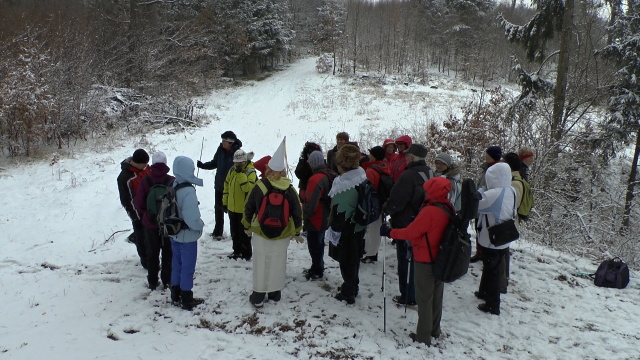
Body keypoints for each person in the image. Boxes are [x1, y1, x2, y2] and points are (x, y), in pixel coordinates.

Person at [380, 177, 452, 346]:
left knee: (424, 299)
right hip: (441, 257)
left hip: (425, 258)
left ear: (433, 191)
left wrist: (391, 233)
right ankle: (434, 330)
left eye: (428, 189)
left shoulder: (430, 211)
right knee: (436, 296)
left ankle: (423, 336)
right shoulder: (448, 207)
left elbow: (411, 233)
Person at [243, 140, 303, 307]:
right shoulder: (289, 189)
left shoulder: (260, 186)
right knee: (278, 261)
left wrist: (247, 226)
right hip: (282, 233)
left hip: (261, 232)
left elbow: (248, 207)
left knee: (261, 262)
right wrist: (297, 231)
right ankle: (275, 293)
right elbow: (297, 212)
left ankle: (258, 295)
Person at [384, 144, 434, 306]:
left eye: (407, 156)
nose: (405, 158)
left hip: (406, 222)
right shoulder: (430, 172)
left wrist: (386, 209)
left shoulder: (408, 176)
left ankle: (407, 294)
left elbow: (396, 200)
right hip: (424, 220)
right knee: (418, 259)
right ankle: (416, 292)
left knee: (405, 259)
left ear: (412, 157)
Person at [325, 144, 368, 304]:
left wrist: (333, 230)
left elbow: (340, 212)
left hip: (348, 228)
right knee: (354, 258)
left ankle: (348, 292)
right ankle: (353, 287)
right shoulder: (361, 175)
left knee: (346, 260)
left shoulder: (344, 184)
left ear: (342, 164)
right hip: (359, 226)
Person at [474, 162, 517, 316]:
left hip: (491, 238)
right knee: (492, 268)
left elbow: (477, 205)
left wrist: (480, 190)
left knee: (492, 271)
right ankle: (483, 292)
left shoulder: (493, 193)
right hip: (504, 236)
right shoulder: (511, 190)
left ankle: (492, 305)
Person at [133, 151, 174, 290]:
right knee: (168, 252)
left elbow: (139, 203)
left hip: (150, 224)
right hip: (167, 224)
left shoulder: (145, 180)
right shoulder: (171, 180)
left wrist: (147, 215)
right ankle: (167, 280)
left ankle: (152, 281)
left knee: (152, 253)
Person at [169, 156, 206, 311]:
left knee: (176, 263)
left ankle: (175, 294)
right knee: (187, 267)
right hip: (187, 235)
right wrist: (200, 226)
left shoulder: (173, 184)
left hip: (174, 232)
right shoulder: (188, 191)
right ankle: (186, 299)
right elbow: (192, 218)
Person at [197, 131, 242, 240]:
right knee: (218, 209)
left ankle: (235, 235)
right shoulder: (220, 150)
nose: (222, 143)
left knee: (232, 212)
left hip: (232, 188)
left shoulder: (238, 153)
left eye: (224, 141)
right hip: (219, 186)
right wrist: (203, 165)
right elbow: (214, 163)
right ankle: (218, 232)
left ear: (230, 142)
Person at [302, 151, 336, 280]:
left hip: (317, 217)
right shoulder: (330, 173)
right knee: (319, 243)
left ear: (312, 163)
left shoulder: (315, 179)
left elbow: (311, 203)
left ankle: (317, 270)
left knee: (314, 244)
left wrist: (305, 217)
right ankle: (318, 266)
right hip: (327, 214)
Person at [117, 148, 151, 269]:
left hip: (151, 210)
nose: (147, 166)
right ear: (136, 162)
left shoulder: (146, 168)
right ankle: (146, 262)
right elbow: (126, 200)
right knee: (142, 238)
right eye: (144, 164)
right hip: (138, 213)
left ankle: (153, 257)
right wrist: (135, 217)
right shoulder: (124, 177)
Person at [470, 146, 502, 263]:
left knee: (485, 229)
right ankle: (480, 252)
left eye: (487, 154)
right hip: (480, 200)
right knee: (479, 229)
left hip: (487, 203)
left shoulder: (495, 169)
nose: (485, 155)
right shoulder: (486, 168)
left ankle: (484, 253)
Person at [223, 149, 257, 260]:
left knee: (245, 234)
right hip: (232, 208)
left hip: (244, 209)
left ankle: (246, 254)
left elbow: (248, 188)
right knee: (234, 232)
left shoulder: (250, 172)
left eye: (240, 162)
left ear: (245, 161)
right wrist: (225, 202)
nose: (237, 165)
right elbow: (226, 185)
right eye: (236, 162)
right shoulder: (232, 170)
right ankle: (236, 251)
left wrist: (241, 175)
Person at [361, 146, 391, 263]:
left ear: (374, 156)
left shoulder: (371, 170)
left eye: (371, 154)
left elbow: (368, 189)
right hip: (382, 201)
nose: (369, 155)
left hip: (373, 203)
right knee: (376, 229)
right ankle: (373, 253)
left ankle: (369, 254)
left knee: (370, 229)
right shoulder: (385, 167)